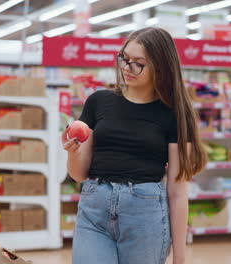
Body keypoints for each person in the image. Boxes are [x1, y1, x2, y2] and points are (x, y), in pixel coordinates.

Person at [62, 27, 207, 264]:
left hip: (145, 216)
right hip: (94, 211)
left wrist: (180, 258)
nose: (127, 68)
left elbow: (177, 191)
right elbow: (79, 175)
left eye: (138, 63)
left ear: (160, 67)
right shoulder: (98, 102)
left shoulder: (173, 115)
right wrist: (71, 153)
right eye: (125, 58)